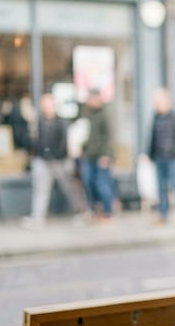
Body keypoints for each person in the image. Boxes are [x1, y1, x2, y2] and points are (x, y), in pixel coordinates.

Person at [23, 93, 88, 227]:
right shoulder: (39, 122)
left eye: (49, 104)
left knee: (70, 188)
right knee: (41, 189)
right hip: (43, 160)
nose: (46, 108)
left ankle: (82, 212)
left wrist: (57, 156)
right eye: (44, 105)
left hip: (61, 161)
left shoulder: (62, 122)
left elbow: (64, 142)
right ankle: (38, 216)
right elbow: (34, 142)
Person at [148, 87, 175, 223]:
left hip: (173, 156)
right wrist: (149, 153)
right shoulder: (156, 117)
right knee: (161, 186)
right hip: (159, 156)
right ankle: (163, 214)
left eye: (158, 101)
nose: (156, 104)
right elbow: (152, 137)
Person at [79, 88, 117, 221]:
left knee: (102, 183)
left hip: (102, 155)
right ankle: (96, 208)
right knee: (89, 181)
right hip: (89, 154)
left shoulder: (105, 113)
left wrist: (106, 155)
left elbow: (109, 136)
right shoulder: (86, 113)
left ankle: (108, 210)